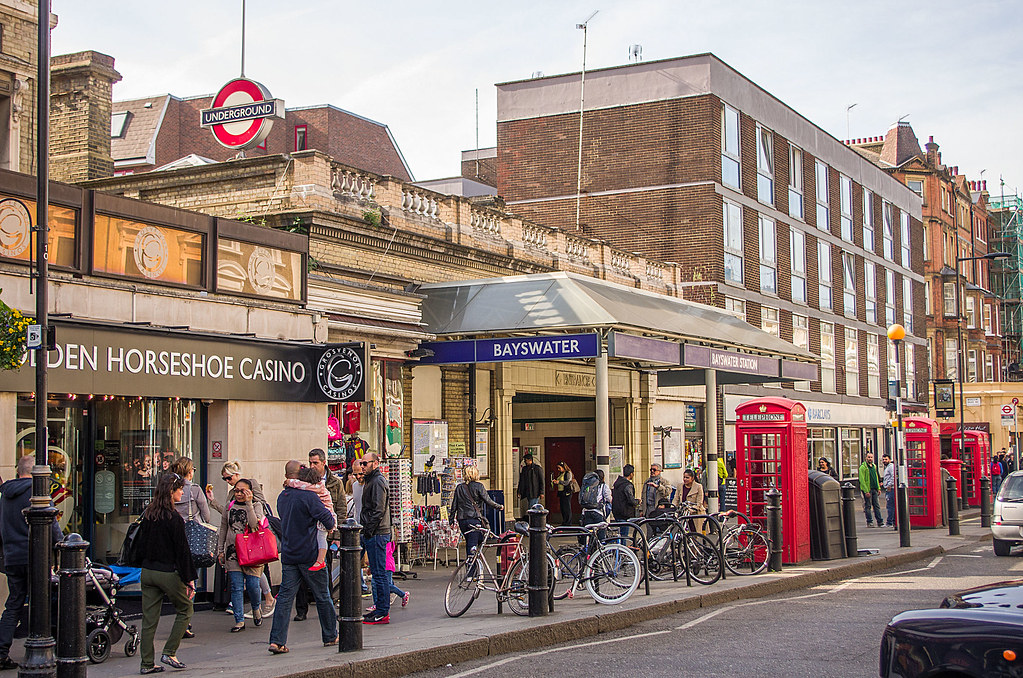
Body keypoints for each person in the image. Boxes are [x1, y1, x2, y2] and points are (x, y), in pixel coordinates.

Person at [267, 460, 338, 654]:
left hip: (290, 553)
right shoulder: (308, 497)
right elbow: (328, 519)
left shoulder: (283, 497)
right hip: (310, 553)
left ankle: (277, 640)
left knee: (284, 598)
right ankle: (331, 635)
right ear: (300, 474)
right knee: (322, 595)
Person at [0, 455, 63, 671]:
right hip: (34, 556)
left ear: (19, 471)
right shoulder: (38, 492)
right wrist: (63, 545)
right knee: (44, 602)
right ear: (36, 474)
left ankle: (1, 651)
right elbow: (52, 523)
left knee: (14, 604)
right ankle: (46, 646)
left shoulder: (6, 495)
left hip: (12, 557)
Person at [135, 472, 197, 674]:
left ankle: (146, 663)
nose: (182, 492)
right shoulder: (174, 519)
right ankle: (169, 652)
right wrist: (189, 579)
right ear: (171, 492)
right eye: (179, 489)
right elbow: (182, 551)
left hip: (148, 571)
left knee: (149, 620)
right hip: (167, 572)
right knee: (185, 609)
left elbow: (141, 545)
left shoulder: (148, 515)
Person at [207, 461, 276, 617]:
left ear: (237, 475)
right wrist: (212, 501)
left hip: (252, 537)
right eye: (224, 479)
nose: (228, 482)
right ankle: (240, 610)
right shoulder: (232, 494)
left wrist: (249, 502)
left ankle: (266, 599)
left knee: (255, 573)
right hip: (235, 543)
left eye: (229, 478)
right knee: (238, 582)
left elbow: (259, 513)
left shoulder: (251, 487)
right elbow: (226, 516)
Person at [217, 478, 266, 633]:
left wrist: (249, 504)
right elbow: (223, 528)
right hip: (233, 551)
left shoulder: (257, 505)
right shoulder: (229, 506)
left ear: (250, 491)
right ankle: (239, 620)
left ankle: (256, 608)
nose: (238, 494)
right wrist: (220, 550)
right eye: (236, 490)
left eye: (242, 491)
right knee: (236, 587)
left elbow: (254, 524)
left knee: (252, 585)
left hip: (251, 551)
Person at [170, 456, 209, 639]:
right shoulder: (194, 489)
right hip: (192, 538)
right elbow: (207, 516)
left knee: (177, 578)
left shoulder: (167, 488)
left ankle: (180, 614)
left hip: (172, 538)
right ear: (189, 471)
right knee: (192, 579)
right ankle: (185, 618)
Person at [449, 463, 503, 575]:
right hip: (474, 519)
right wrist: (499, 506)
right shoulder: (479, 486)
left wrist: (451, 520)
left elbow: (454, 505)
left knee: (471, 541)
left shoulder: (459, 487)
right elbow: (488, 501)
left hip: (462, 520)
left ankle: (473, 565)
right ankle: (471, 572)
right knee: (473, 544)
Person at [360, 452, 392, 625]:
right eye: (362, 463)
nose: (363, 466)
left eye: (366, 463)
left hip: (377, 533)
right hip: (373, 532)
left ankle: (382, 611)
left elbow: (378, 510)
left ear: (376, 463)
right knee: (376, 573)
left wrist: (369, 530)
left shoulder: (378, 481)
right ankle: (378, 608)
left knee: (379, 574)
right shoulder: (371, 481)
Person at [285, 465, 335, 572]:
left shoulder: (312, 489)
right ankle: (320, 560)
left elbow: (300, 485)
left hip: (327, 513)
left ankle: (320, 560)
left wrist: (289, 482)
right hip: (328, 514)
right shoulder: (317, 488)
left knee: (321, 537)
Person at [578, 469, 611, 541]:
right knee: (601, 536)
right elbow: (609, 499)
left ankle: (588, 548)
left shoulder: (588, 486)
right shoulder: (604, 486)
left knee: (588, 533)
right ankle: (599, 548)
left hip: (587, 511)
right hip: (598, 512)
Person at [858, 452, 884, 527]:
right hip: (868, 489)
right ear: (866, 458)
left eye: (871, 457)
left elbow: (876, 477)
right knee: (868, 506)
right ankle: (869, 522)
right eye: (868, 457)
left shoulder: (874, 466)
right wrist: (866, 491)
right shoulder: (862, 467)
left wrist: (878, 488)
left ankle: (880, 521)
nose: (870, 459)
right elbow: (862, 480)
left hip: (874, 489)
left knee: (877, 506)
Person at [517, 453, 543, 518]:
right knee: (530, 506)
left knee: (532, 507)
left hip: (535, 492)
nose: (525, 462)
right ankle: (532, 520)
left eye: (526, 460)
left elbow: (541, 481)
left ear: (530, 460)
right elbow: (522, 481)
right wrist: (519, 491)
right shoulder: (524, 469)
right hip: (527, 492)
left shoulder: (537, 469)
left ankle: (533, 521)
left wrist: (541, 492)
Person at [881, 454, 896, 529]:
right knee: (891, 506)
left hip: (891, 489)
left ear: (889, 459)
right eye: (883, 459)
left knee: (890, 506)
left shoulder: (891, 467)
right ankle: (893, 521)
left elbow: (893, 477)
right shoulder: (888, 467)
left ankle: (889, 522)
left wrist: (890, 485)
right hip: (888, 488)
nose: (884, 461)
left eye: (886, 459)